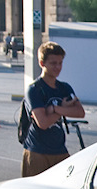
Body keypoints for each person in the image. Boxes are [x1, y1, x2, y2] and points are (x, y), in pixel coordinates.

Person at [21, 41, 85, 177]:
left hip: (59, 149)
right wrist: (64, 108)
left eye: (60, 63)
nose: (58, 67)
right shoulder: (34, 90)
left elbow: (80, 112)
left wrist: (55, 109)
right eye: (53, 63)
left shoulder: (64, 88)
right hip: (37, 151)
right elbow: (42, 123)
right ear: (42, 63)